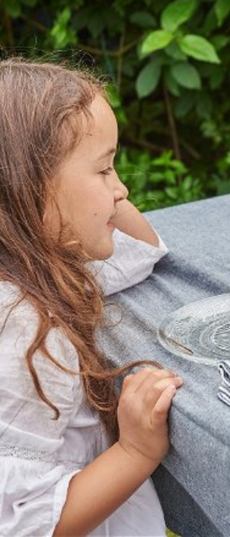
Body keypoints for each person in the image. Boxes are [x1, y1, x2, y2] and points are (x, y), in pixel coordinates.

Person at [0, 59, 181, 536]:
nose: (121, 190)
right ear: (31, 189)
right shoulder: (24, 329)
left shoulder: (39, 262)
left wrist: (98, 187)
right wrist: (135, 451)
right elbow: (27, 523)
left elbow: (142, 252)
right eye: (105, 169)